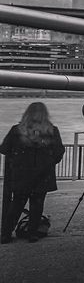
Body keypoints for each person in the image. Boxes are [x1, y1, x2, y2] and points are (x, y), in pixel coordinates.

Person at [0, 102, 66, 243]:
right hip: (43, 175)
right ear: (45, 115)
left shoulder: (16, 130)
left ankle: (5, 234)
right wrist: (48, 163)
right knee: (37, 204)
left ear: (26, 114)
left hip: (21, 174)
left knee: (17, 204)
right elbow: (59, 151)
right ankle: (32, 233)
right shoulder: (52, 131)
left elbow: (4, 149)